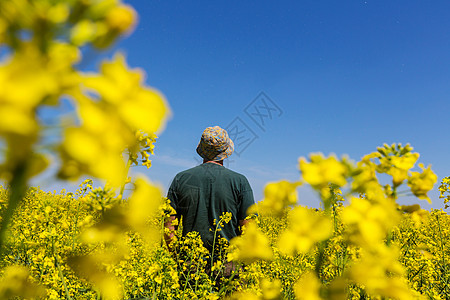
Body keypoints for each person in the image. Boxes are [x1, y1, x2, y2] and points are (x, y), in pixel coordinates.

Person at [165, 126, 255, 253]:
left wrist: (178, 257)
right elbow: (249, 229)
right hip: (229, 264)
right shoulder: (240, 181)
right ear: (225, 151)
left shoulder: (181, 179)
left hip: (190, 264)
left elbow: (169, 228)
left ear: (202, 149)